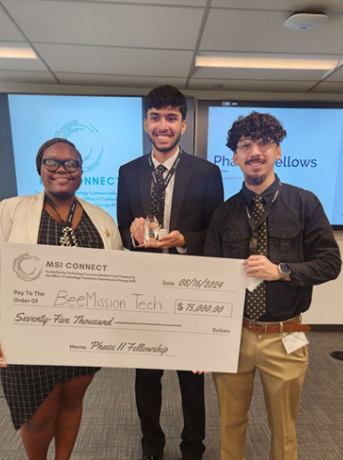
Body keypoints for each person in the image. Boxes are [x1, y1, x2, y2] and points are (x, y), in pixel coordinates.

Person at [204, 111, 342, 460]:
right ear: (234, 156)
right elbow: (208, 282)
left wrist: (281, 270)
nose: (255, 152)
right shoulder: (224, 214)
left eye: (264, 143)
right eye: (245, 145)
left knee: (284, 429)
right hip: (234, 337)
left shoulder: (305, 203)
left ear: (278, 151)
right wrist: (204, 341)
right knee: (230, 425)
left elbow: (330, 264)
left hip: (285, 336)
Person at [0, 138, 122, 460]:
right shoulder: (11, 211)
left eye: (71, 163)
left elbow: (119, 273)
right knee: (38, 414)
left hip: (84, 333)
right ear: (40, 168)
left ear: (82, 171)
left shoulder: (101, 218)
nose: (61, 170)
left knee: (72, 402)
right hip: (28, 334)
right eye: (52, 162)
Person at [117, 85, 224, 460]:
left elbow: (216, 233)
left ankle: (193, 446)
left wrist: (183, 240)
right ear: (146, 122)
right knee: (146, 376)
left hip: (188, 291)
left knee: (190, 379)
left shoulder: (207, 172)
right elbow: (120, 229)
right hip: (144, 292)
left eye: (171, 118)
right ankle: (152, 446)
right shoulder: (127, 172)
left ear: (183, 123)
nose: (163, 125)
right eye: (156, 117)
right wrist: (130, 234)